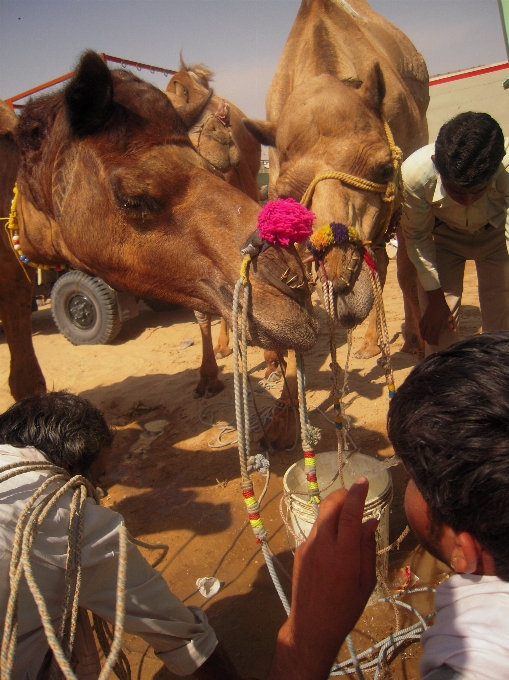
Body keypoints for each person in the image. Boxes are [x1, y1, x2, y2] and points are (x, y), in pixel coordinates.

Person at [269, 331, 509, 680]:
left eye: (414, 477)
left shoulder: (470, 668)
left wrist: (304, 638)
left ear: (464, 549)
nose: (406, 481)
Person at [0, 391, 252, 680]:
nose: (96, 491)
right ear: (71, 465)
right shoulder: (73, 520)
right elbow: (182, 637)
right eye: (97, 478)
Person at [400, 112, 509, 355]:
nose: (467, 201)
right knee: (438, 331)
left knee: (502, 321)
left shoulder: (507, 168)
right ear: (436, 162)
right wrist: (436, 299)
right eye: (457, 191)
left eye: (477, 191)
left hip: (495, 237)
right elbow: (417, 237)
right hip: (445, 239)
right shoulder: (414, 177)